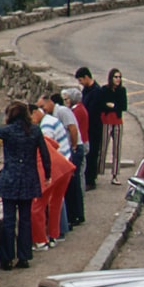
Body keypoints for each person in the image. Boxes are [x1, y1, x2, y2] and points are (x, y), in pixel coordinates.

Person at [0, 101, 52, 270]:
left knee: (9, 220)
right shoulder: (34, 130)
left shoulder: (8, 131)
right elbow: (45, 154)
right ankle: (24, 256)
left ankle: (8, 257)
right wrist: (47, 174)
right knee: (25, 219)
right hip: (28, 179)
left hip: (10, 179)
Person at [30, 133, 75, 252]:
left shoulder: (21, 139)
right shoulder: (37, 133)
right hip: (63, 166)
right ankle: (54, 236)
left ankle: (40, 241)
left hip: (47, 171)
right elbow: (55, 145)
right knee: (55, 202)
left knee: (36, 207)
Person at [48, 92, 84, 227]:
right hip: (71, 149)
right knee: (72, 185)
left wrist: (73, 147)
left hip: (74, 149)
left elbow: (73, 129)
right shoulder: (57, 113)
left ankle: (76, 215)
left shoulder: (62, 111)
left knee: (73, 184)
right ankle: (76, 215)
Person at [74, 67, 103, 190]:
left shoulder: (96, 91)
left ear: (86, 77)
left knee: (92, 154)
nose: (80, 83)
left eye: (81, 80)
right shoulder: (86, 90)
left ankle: (91, 180)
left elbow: (92, 111)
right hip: (86, 128)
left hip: (94, 128)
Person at [62, 88, 88, 224]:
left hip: (79, 145)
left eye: (67, 99)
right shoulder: (79, 109)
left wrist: (73, 146)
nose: (65, 102)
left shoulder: (75, 111)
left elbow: (74, 129)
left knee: (77, 179)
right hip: (82, 143)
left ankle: (78, 211)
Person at [99, 68, 128, 185]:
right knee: (103, 147)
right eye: (116, 77)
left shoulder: (122, 90)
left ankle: (115, 175)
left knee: (117, 149)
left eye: (119, 77)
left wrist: (112, 105)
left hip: (118, 121)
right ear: (111, 78)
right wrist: (109, 106)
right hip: (106, 121)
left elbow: (123, 106)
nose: (118, 79)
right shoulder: (104, 89)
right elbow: (102, 104)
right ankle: (99, 171)